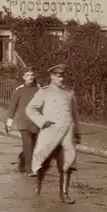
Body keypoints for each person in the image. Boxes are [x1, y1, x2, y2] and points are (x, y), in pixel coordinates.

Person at [25, 64, 81, 204]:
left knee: (66, 165)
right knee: (43, 163)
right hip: (50, 135)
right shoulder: (44, 92)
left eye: (63, 76)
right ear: (51, 76)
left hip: (66, 135)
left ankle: (64, 194)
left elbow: (75, 115)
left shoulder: (69, 93)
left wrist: (77, 133)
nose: (61, 78)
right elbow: (30, 109)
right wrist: (43, 121)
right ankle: (38, 186)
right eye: (58, 76)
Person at [5, 67, 40, 176]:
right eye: (28, 75)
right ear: (23, 77)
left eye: (32, 75)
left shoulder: (39, 90)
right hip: (23, 122)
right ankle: (30, 169)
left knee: (33, 145)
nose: (30, 77)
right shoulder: (19, 90)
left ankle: (22, 158)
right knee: (28, 143)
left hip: (35, 122)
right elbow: (12, 106)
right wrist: (9, 122)